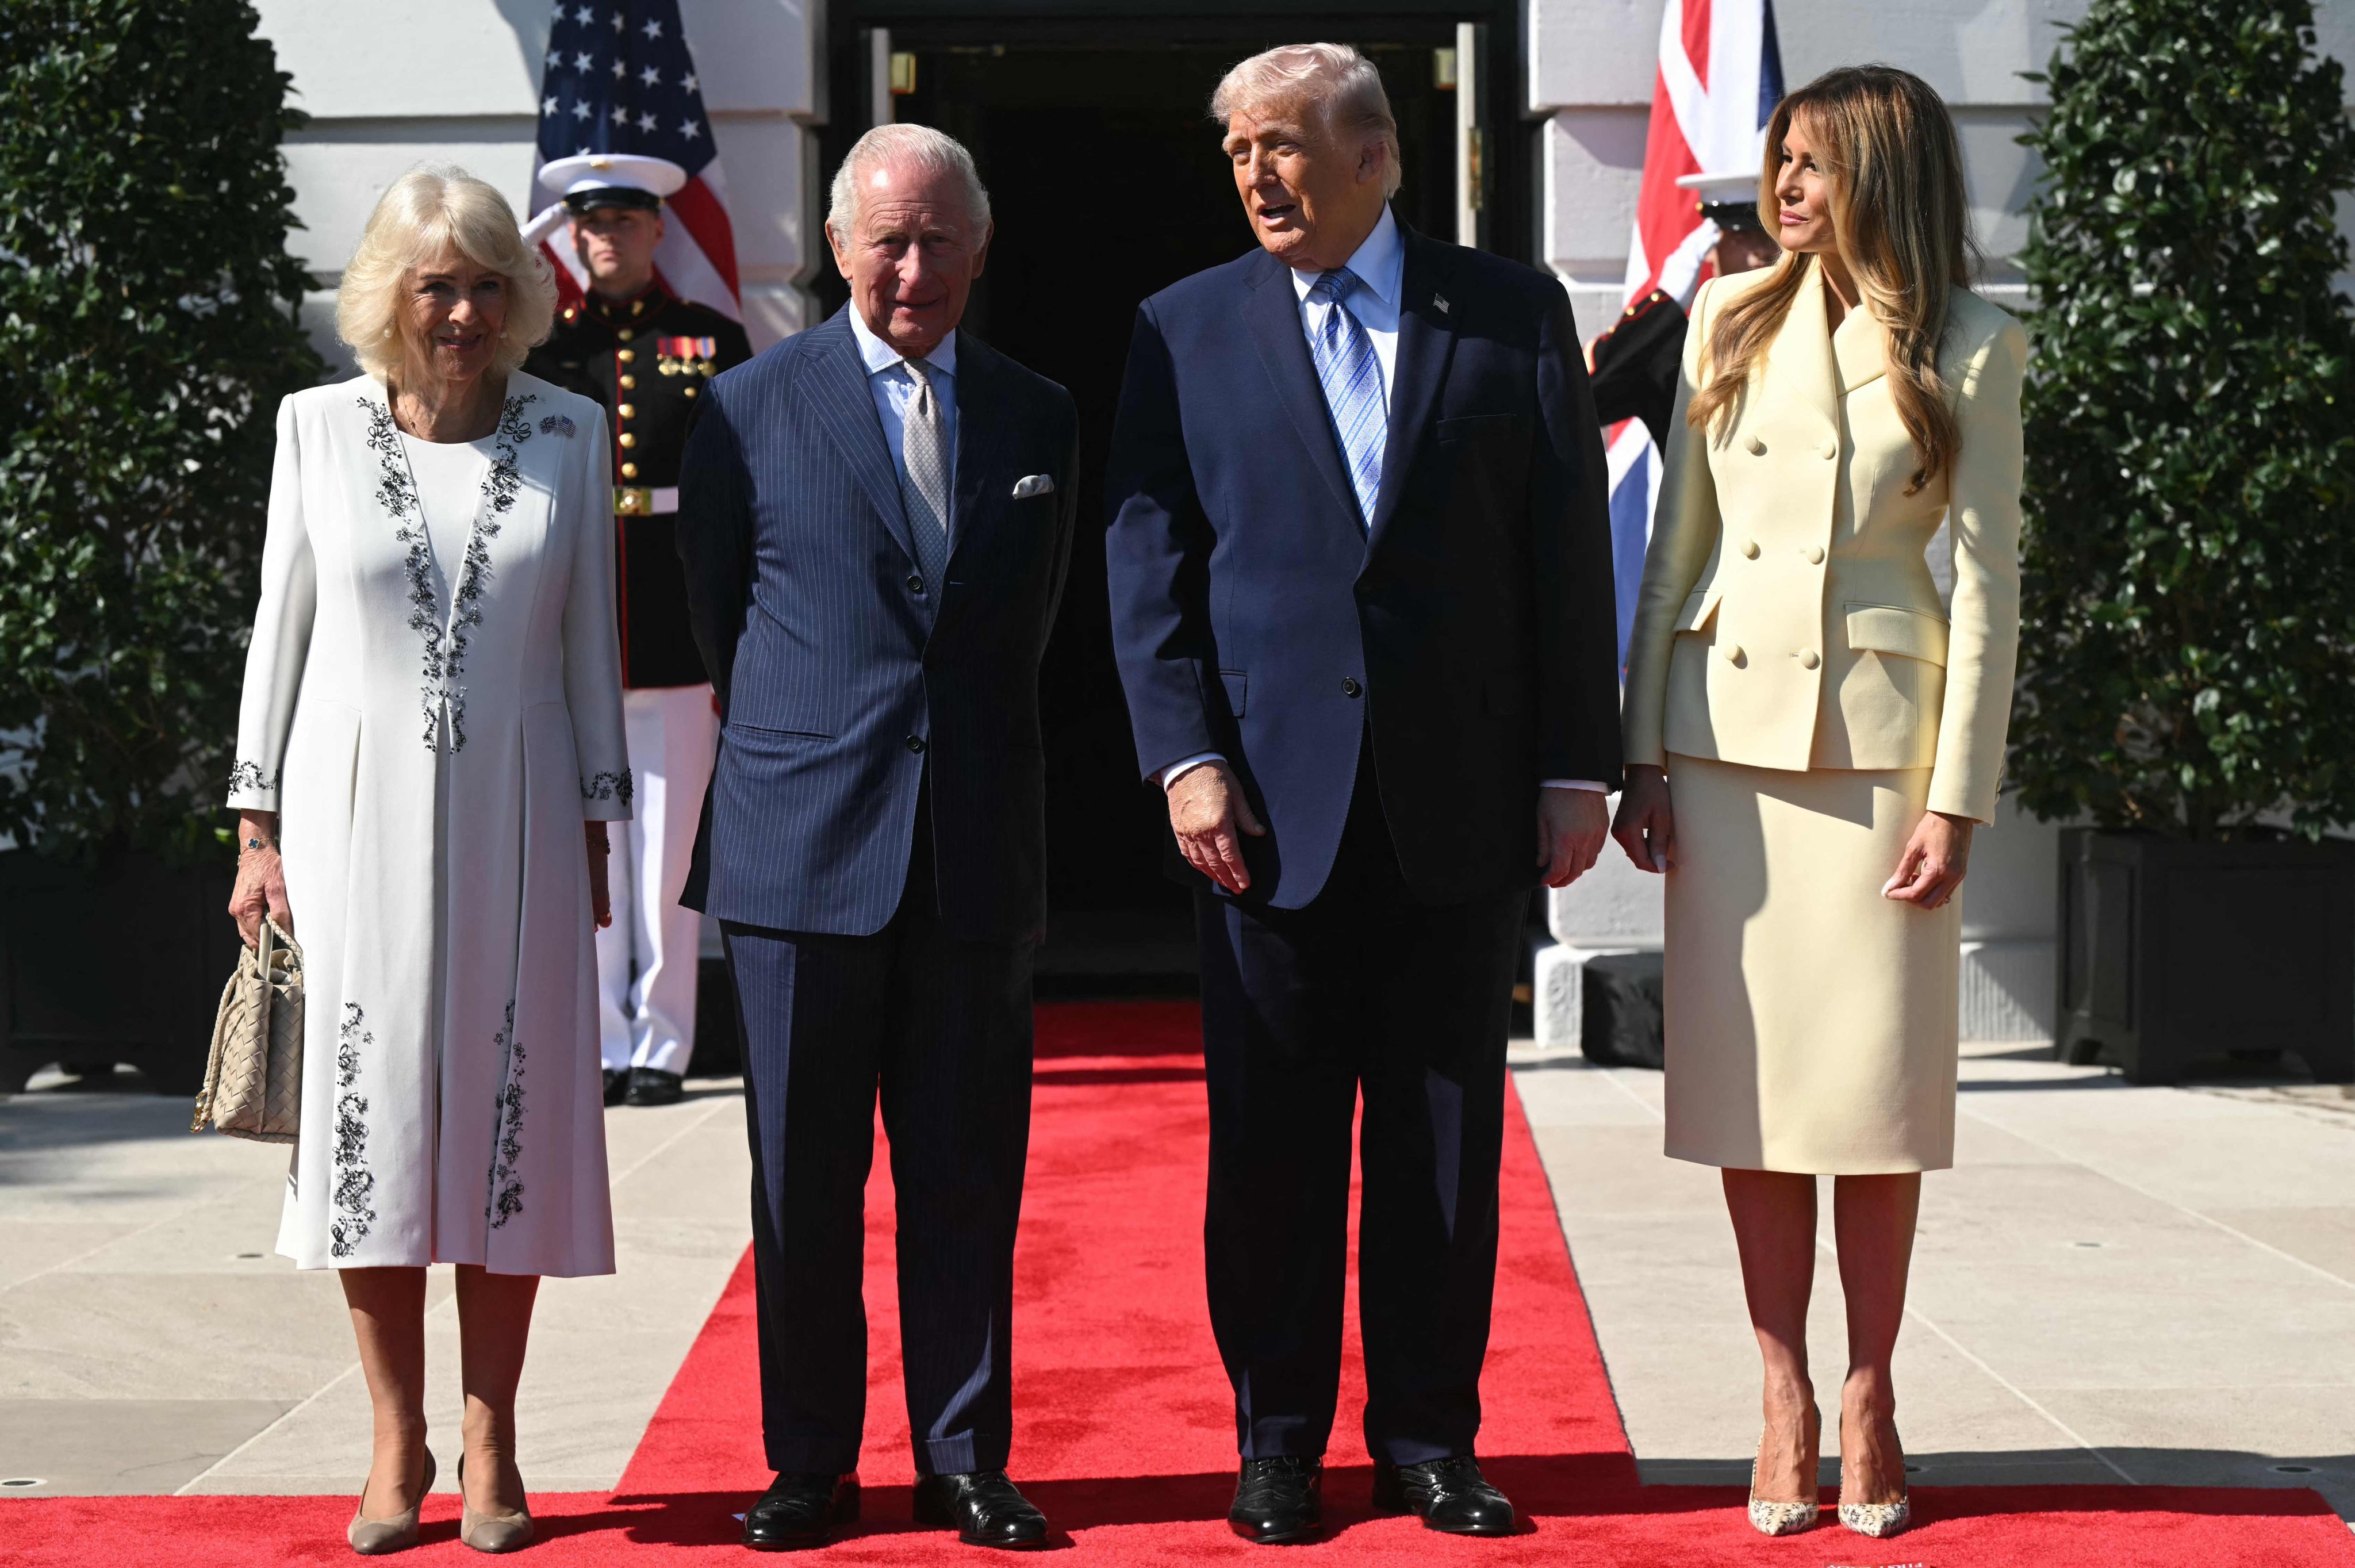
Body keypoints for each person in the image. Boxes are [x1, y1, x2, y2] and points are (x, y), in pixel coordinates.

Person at [1104, 43, 1623, 1546]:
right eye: (1237, 152)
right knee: (1268, 1145)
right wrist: (1183, 752)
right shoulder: (1183, 326)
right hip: (1262, 810)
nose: (1256, 174)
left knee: (1444, 1144)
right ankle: (1276, 1441)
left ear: (1375, 158)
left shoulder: (1511, 312)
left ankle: (1430, 1436)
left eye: (1281, 145)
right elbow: (1148, 558)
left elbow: (1565, 555)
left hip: (1458, 798)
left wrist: (1573, 763)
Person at [1612, 65, 2026, 1542]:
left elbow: (1988, 594)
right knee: (1756, 1095)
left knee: (1875, 1099)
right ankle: (1780, 1383)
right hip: (1727, 750)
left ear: (1884, 173)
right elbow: (1676, 549)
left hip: (1880, 764)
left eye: (1811, 164)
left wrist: (1958, 799)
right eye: (1778, 161)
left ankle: (1870, 1384)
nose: (1783, 188)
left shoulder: (1975, 348)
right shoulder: (1726, 316)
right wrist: (1639, 752)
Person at [674, 123, 1078, 1552]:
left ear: (980, 246)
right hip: (799, 852)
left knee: (967, 1177)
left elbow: (1027, 629)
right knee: (800, 1183)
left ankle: (966, 1457)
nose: (914, 269)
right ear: (838, 247)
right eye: (888, 241)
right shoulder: (743, 409)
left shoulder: (1039, 416)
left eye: (940, 240)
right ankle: (809, 1463)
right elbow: (720, 616)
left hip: (972, 851)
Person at [224, 163, 628, 1555]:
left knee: (503, 1106)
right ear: (387, 292)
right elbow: (279, 626)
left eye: (485, 285)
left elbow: (588, 649)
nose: (461, 310)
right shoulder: (314, 430)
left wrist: (598, 820)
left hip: (519, 815)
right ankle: (395, 1438)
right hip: (348, 820)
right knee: (377, 1123)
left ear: (519, 298)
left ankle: (493, 1433)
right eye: (435, 283)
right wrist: (257, 821)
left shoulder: (572, 429)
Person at [523, 152, 754, 1110]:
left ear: (660, 231)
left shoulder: (706, 340)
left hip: (674, 630)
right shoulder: (548, 351)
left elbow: (746, 484)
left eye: (623, 223)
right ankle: (600, 1037)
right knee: (589, 843)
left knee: (665, 854)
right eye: (589, 226)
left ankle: (662, 1041)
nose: (605, 240)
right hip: (577, 628)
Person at [1588, 170, 1783, 454]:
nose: (1762, 250)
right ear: (1711, 245)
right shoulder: (1674, 345)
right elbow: (1587, 398)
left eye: (1768, 231)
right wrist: (1665, 305)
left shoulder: (1812, 321)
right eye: (1743, 234)